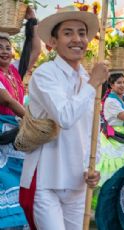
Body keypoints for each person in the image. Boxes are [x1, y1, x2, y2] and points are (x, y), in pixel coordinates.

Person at [19, 6, 109, 230]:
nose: (77, 39)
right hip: (45, 181)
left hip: (77, 182)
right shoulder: (45, 74)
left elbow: (91, 130)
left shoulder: (86, 78)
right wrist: (92, 84)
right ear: (53, 41)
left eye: (81, 33)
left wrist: (94, 166)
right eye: (68, 33)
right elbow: (65, 117)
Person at [0, 7, 41, 229]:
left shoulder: (14, 71)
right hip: (3, 133)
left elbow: (35, 49)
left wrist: (32, 21)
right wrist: (34, 123)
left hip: (15, 132)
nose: (5, 51)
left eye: (8, 48)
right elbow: (7, 101)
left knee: (20, 177)